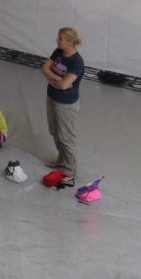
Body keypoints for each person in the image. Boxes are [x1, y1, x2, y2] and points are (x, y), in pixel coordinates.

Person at [40, 27, 85, 186]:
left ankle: (71, 170)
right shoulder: (58, 52)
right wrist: (57, 80)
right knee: (54, 132)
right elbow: (44, 68)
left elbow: (65, 85)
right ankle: (61, 159)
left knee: (66, 137)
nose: (57, 41)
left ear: (70, 41)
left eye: (60, 39)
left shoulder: (77, 62)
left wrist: (57, 81)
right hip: (52, 97)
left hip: (66, 104)